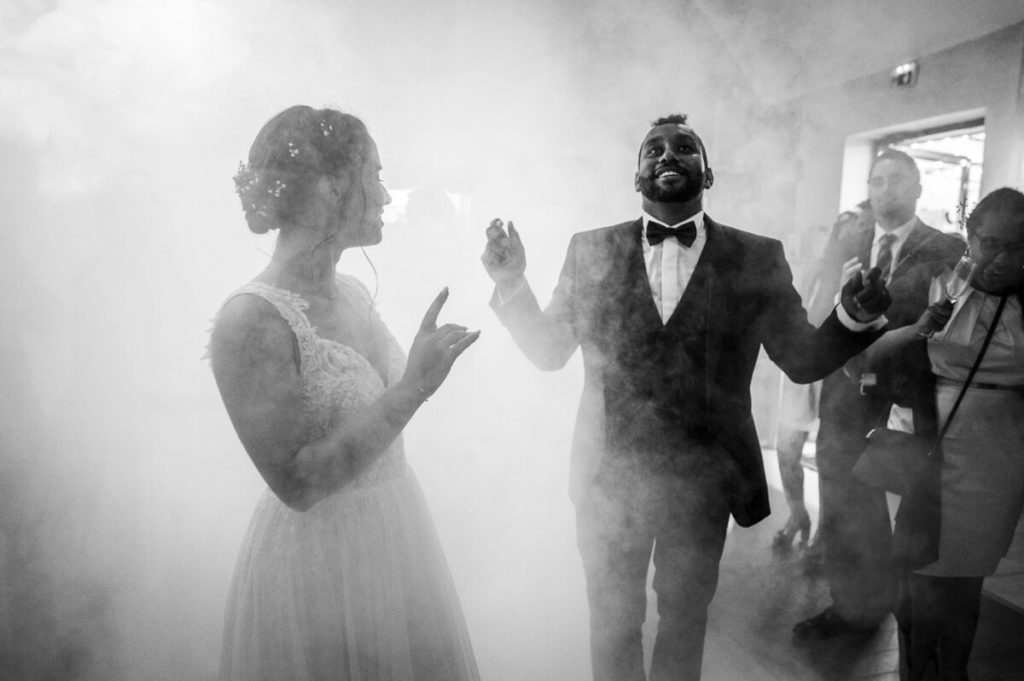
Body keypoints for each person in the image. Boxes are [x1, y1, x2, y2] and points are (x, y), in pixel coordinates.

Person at [481, 113, 892, 681]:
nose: (667, 155)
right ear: (637, 176)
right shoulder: (590, 249)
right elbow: (549, 350)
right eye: (654, 149)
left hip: (702, 483)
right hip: (608, 479)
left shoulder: (757, 256)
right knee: (611, 620)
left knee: (684, 618)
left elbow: (801, 360)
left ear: (708, 172)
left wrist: (854, 316)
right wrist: (511, 285)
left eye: (684, 148)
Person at [207, 105, 481, 681]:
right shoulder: (250, 318)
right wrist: (413, 389)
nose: (385, 196)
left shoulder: (352, 290)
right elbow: (298, 484)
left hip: (397, 532)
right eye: (375, 176)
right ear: (332, 187)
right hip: (319, 566)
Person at [794, 150, 964, 640]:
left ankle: (910, 614)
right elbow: (821, 305)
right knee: (843, 500)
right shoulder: (847, 237)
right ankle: (851, 607)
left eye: (897, 181)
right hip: (844, 391)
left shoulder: (943, 247)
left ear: (917, 189)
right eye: (878, 181)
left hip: (905, 393)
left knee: (909, 507)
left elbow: (944, 321)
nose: (885, 189)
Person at [871, 187, 1024, 680]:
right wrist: (917, 328)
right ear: (971, 236)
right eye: (991, 243)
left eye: (1018, 248)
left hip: (996, 462)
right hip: (929, 451)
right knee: (914, 588)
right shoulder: (936, 281)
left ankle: (954, 674)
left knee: (964, 587)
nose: (1001, 259)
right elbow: (867, 357)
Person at [773, 202, 870, 556]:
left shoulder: (871, 269)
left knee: (831, 460)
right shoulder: (819, 266)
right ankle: (798, 515)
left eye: (859, 224)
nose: (850, 230)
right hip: (805, 365)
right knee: (787, 451)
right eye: (843, 223)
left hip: (843, 372)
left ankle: (825, 534)